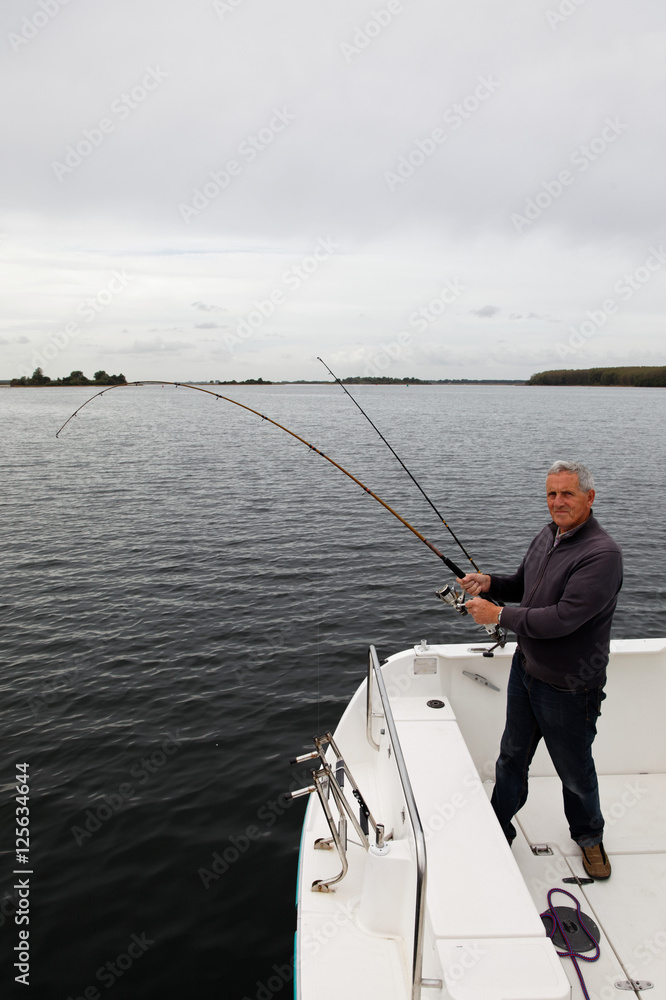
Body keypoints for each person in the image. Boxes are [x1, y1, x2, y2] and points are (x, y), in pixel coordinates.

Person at [459, 460, 623, 879]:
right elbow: (524, 585)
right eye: (551, 494)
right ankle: (497, 829)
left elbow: (562, 618)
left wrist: (498, 616)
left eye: (567, 494)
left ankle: (590, 839)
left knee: (574, 771)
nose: (557, 502)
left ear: (589, 497)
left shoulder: (601, 554)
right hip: (526, 669)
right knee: (511, 757)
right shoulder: (548, 534)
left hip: (570, 687)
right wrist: (490, 583)